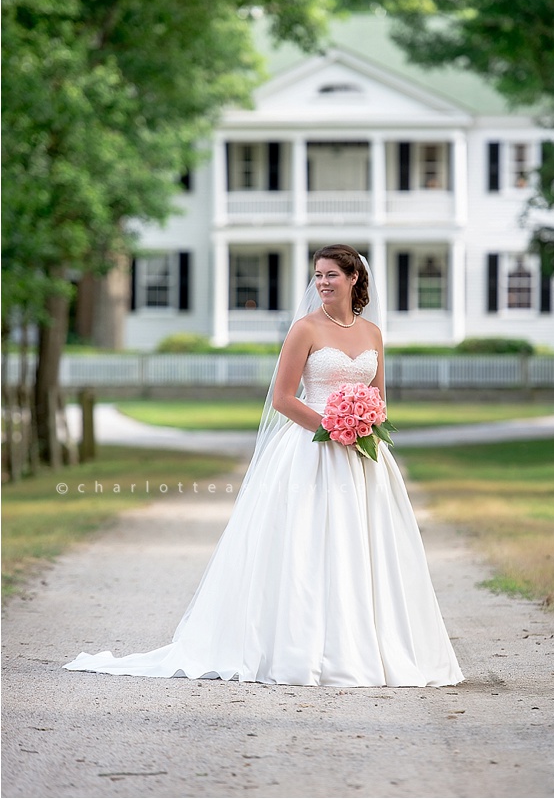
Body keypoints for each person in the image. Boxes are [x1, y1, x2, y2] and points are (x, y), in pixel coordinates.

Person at [64, 244, 463, 688]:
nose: (323, 283)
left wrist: (367, 423)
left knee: (364, 546)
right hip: (311, 451)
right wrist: (334, 428)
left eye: (332, 275)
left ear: (354, 279)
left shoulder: (372, 333)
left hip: (365, 457)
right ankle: (300, 647)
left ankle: (367, 642)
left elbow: (381, 397)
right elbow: (283, 399)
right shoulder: (304, 329)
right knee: (306, 546)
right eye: (318, 275)